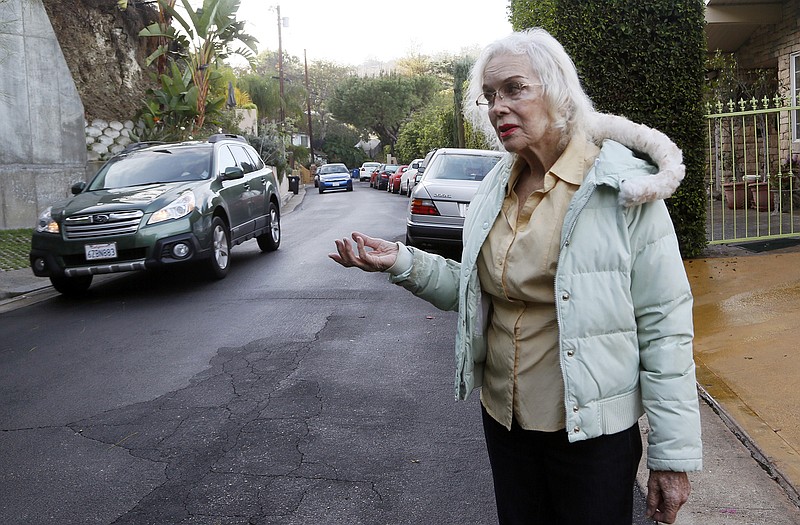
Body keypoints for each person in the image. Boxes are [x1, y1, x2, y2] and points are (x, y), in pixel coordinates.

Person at [329, 28, 701, 525]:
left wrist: (671, 458)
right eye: (488, 96)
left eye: (513, 89)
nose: (497, 106)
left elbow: (665, 322)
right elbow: (477, 289)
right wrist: (400, 261)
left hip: (590, 431)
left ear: (557, 91)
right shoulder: (493, 189)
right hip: (506, 421)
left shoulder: (621, 188)